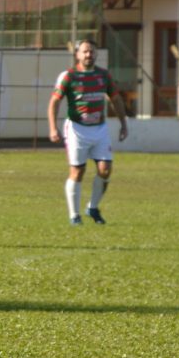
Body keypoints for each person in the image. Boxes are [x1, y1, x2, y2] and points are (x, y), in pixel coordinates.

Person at [48, 38, 128, 225]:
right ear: (77, 54)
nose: (88, 54)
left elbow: (115, 99)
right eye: (84, 51)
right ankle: (74, 215)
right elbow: (54, 102)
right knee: (77, 171)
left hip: (99, 129)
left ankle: (92, 207)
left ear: (96, 54)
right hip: (76, 129)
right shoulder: (68, 76)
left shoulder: (103, 76)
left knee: (105, 169)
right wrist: (53, 127)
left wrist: (124, 123)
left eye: (91, 51)